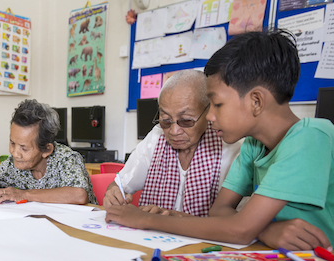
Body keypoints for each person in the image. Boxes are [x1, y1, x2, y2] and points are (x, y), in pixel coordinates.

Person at [105, 29, 334, 250]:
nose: (210, 116)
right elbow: (220, 212)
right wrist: (264, 230)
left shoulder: (311, 136)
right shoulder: (254, 146)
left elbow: (240, 229)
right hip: (280, 259)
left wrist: (144, 219)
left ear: (256, 101)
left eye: (217, 104)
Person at [103, 69, 241, 216]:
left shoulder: (229, 146)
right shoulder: (156, 138)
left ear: (208, 111)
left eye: (186, 120)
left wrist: (171, 219)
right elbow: (120, 184)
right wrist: (114, 194)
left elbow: (237, 219)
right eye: (166, 120)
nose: (174, 131)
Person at [0, 99, 96, 204]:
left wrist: (24, 194)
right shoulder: (13, 165)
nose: (15, 153)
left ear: (47, 149)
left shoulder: (66, 159)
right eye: (12, 143)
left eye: (24, 148)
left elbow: (79, 195)